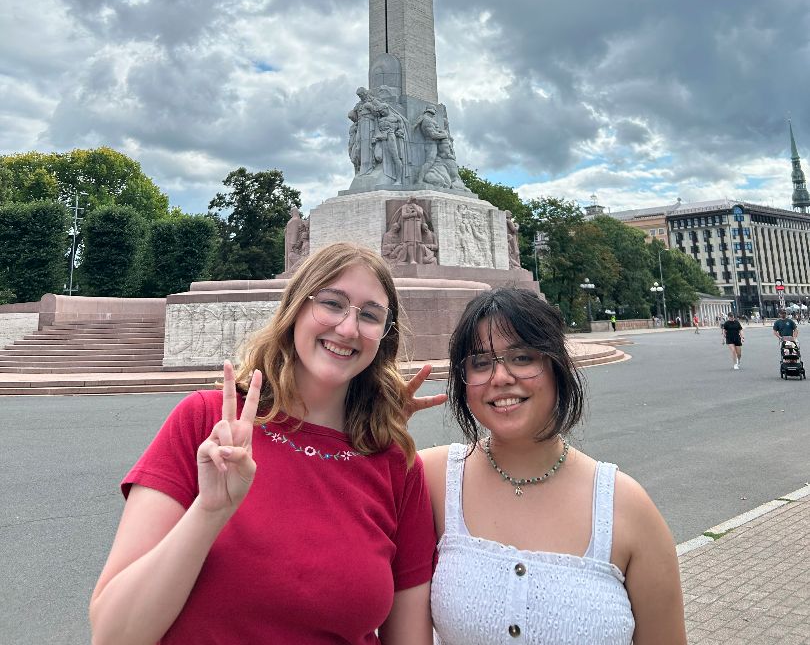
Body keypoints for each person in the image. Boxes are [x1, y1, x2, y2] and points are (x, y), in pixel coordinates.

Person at [90, 243, 436, 645]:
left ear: (384, 335)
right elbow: (113, 636)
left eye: (371, 316)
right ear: (295, 308)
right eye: (332, 303)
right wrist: (209, 512)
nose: (347, 328)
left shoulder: (396, 463)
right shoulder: (208, 422)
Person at [418, 288, 686, 645]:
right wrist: (374, 428)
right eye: (480, 363)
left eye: (522, 357)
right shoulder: (432, 477)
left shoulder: (626, 507)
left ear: (556, 365)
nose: (500, 377)